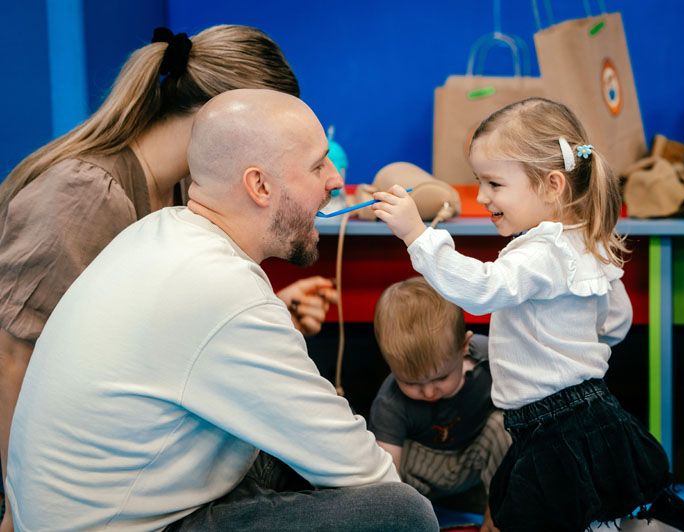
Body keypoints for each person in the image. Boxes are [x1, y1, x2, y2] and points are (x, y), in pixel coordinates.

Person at [5, 88, 438, 531]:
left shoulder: (159, 232)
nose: (334, 180)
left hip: (81, 511)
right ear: (259, 185)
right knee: (401, 513)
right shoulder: (224, 290)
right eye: (317, 166)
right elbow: (363, 470)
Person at [0, 25, 338, 530]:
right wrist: (16, 508)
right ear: (223, 117)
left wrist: (266, 315)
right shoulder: (83, 195)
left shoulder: (182, 191)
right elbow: (14, 359)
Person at [372, 97, 674, 531]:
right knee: (598, 512)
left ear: (553, 185)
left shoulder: (541, 251)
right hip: (579, 409)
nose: (481, 197)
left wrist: (416, 235)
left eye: (494, 184)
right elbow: (616, 322)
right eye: (479, 182)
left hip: (552, 420)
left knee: (549, 517)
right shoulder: (585, 242)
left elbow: (482, 290)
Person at [369, 276, 511, 531]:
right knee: (382, 467)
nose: (428, 391)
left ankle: (498, 517)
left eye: (441, 378)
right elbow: (386, 477)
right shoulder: (390, 402)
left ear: (464, 346)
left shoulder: (490, 358)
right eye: (410, 382)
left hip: (472, 463)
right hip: (419, 476)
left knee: (504, 425)